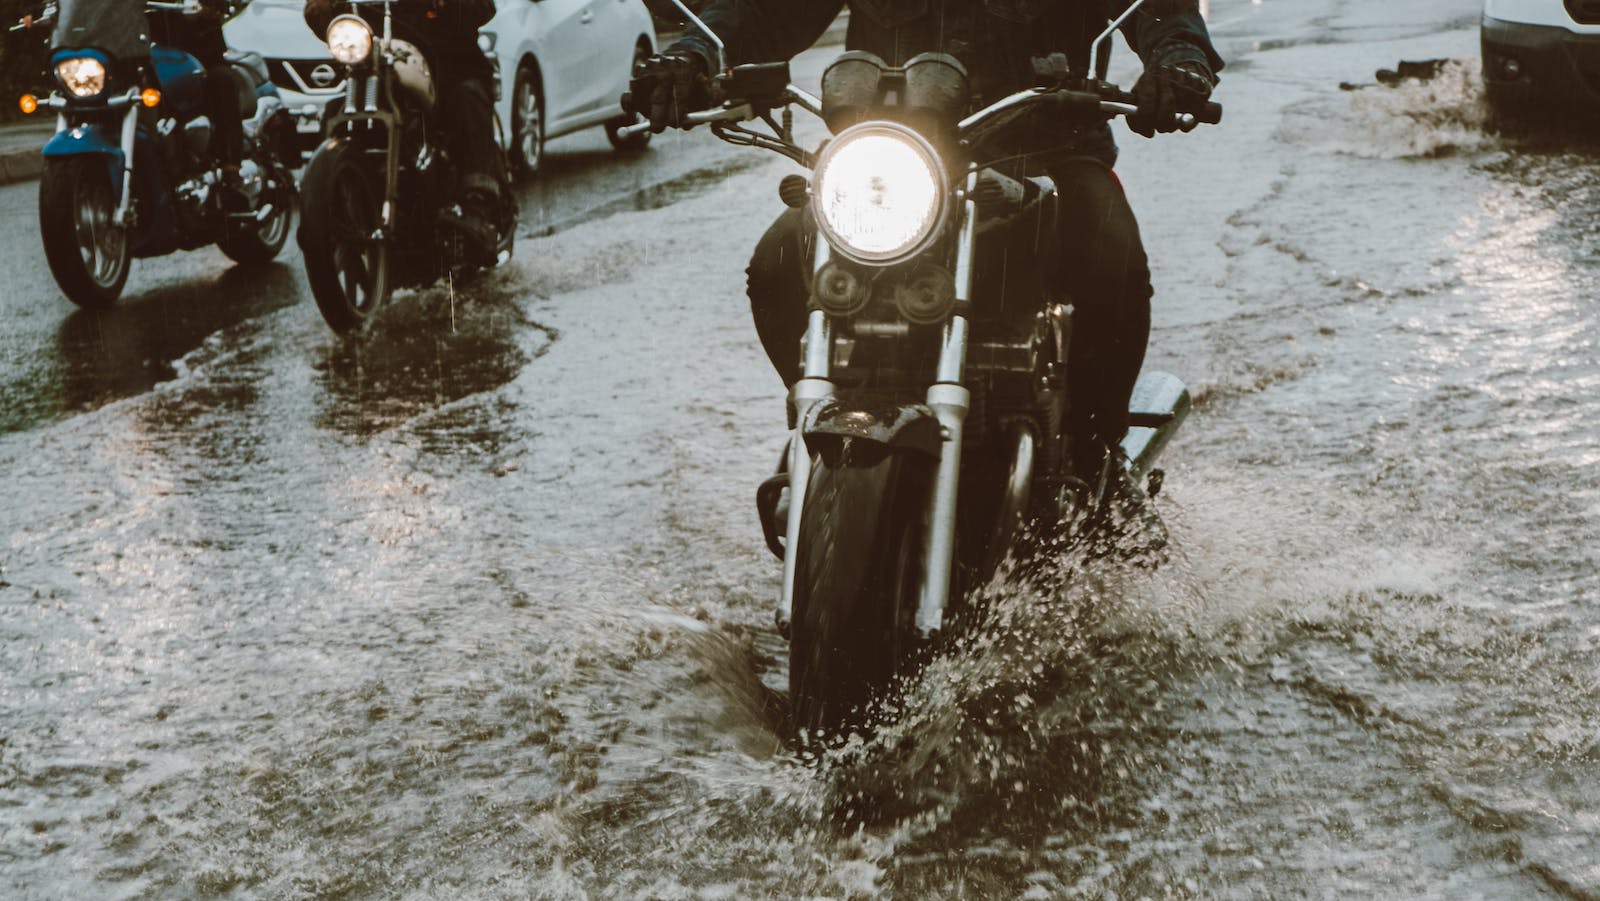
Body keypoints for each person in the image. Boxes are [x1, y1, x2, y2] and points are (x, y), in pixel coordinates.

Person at [632, 0, 1223, 499]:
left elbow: (1159, 8)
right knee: (779, 262)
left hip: (1045, 150)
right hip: (896, 163)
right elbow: (765, 10)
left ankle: (1096, 467)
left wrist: (1180, 59)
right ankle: (821, 422)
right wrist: (695, 49)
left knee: (1109, 250)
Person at [303, 0, 506, 262]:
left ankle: (479, 206)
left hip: (446, 58)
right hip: (376, 59)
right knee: (335, 111)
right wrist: (319, 7)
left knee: (466, 96)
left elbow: (483, 7)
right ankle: (333, 214)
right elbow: (322, 12)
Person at [147, 0, 246, 206]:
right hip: (145, 48)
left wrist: (211, 7)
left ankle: (231, 166)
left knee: (220, 79)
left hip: (196, 44)